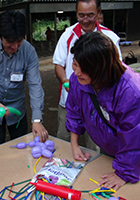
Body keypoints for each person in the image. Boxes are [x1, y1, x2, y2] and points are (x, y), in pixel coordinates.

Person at [67, 31, 140, 191]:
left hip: (134, 158)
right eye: (75, 63)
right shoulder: (78, 79)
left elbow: (134, 137)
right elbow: (74, 110)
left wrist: (124, 173)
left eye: (83, 68)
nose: (77, 72)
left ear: (101, 69)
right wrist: (75, 144)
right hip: (112, 153)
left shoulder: (130, 91)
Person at [53, 0, 122, 151]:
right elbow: (58, 64)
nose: (85, 20)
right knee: (64, 143)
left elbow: (117, 72)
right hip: (70, 100)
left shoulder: (110, 38)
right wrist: (66, 81)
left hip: (99, 105)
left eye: (90, 15)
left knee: (97, 146)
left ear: (99, 12)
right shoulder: (67, 36)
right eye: (81, 15)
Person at [0, 10, 48, 148]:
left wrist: (37, 118)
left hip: (17, 111)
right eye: (9, 42)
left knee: (21, 148)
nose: (14, 47)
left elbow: (35, 85)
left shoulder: (29, 51)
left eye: (19, 41)